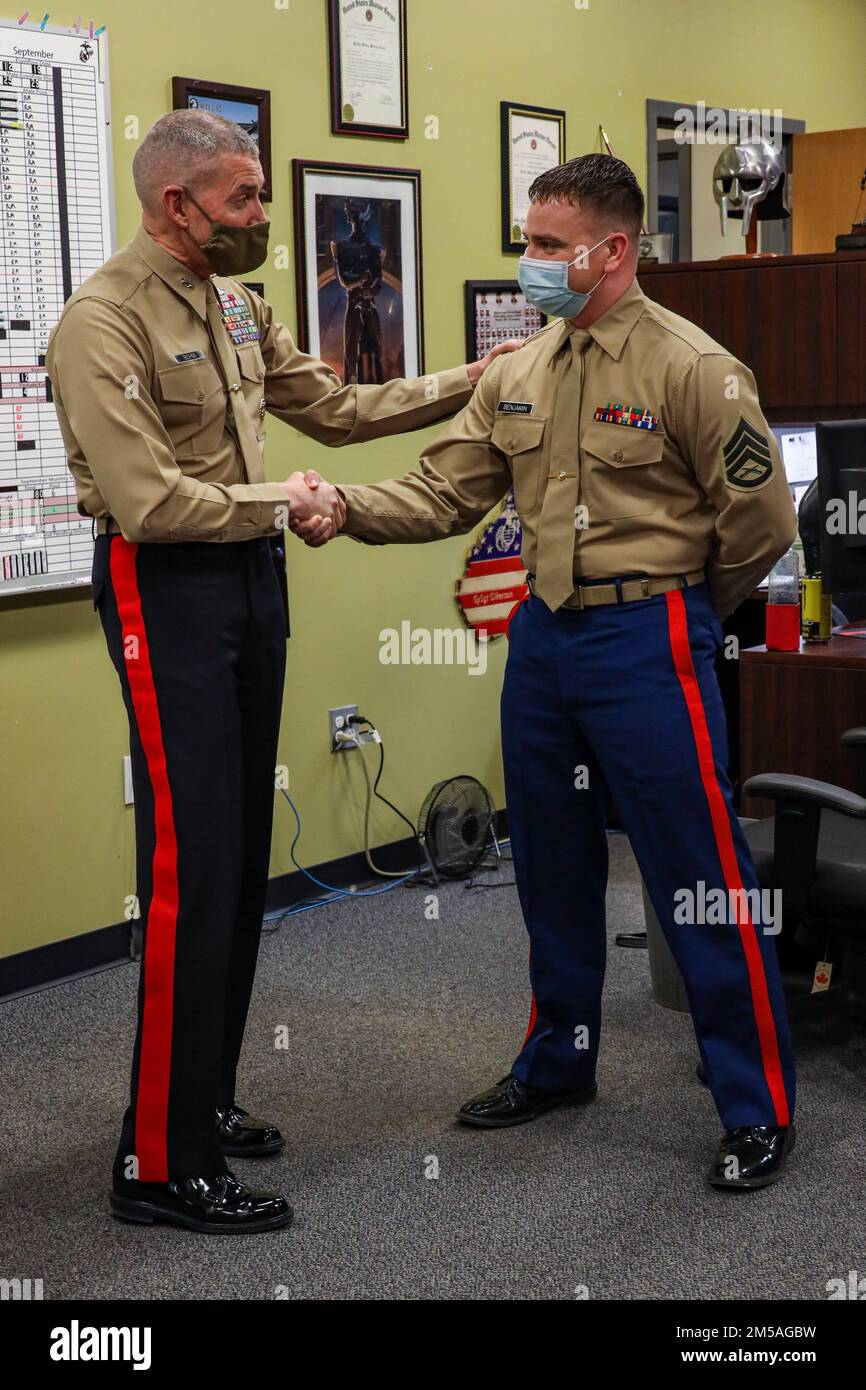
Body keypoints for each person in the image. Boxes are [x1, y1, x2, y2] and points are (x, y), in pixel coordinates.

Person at [45, 109, 518, 1235]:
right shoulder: (100, 322)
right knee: (192, 871)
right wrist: (287, 502)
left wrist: (474, 378)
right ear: (179, 206)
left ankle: (199, 1098)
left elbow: (341, 411)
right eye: (245, 200)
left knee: (241, 857)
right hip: (167, 587)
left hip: (250, 581)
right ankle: (159, 1162)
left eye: (260, 195)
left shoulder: (234, 302)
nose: (263, 218)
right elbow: (153, 502)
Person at [325, 154, 799, 1191]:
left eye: (547, 245)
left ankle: (755, 1105)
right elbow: (443, 492)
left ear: (612, 250)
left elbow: (760, 523)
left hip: (648, 640)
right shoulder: (519, 369)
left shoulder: (690, 365)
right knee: (547, 864)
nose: (529, 262)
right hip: (541, 645)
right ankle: (556, 1063)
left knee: (697, 875)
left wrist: (679, 613)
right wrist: (341, 509)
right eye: (527, 241)